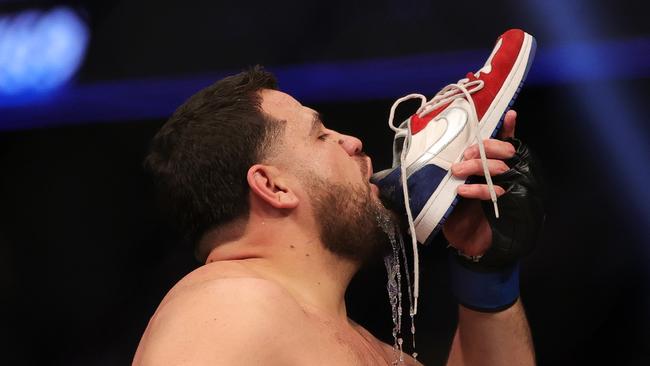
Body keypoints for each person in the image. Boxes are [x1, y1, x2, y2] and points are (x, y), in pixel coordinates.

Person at [133, 66, 537, 365]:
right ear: (274, 187)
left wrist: (485, 270)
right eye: (321, 134)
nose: (353, 141)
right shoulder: (229, 304)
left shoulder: (371, 350)